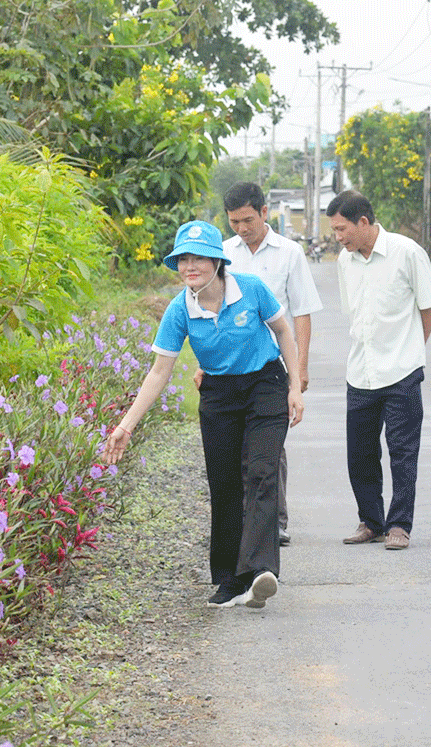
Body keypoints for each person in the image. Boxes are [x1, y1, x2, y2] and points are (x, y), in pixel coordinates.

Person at [104, 220, 304, 608]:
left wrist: (294, 387)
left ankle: (260, 571)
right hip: (217, 393)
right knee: (224, 483)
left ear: (218, 260)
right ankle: (229, 580)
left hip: (265, 384)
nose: (189, 266)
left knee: (262, 472)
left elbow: (284, 331)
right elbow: (159, 371)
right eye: (183, 259)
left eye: (198, 258)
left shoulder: (252, 289)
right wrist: (126, 425)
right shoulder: (180, 309)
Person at [204, 181, 322, 547]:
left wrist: (299, 368)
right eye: (234, 221)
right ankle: (244, 518)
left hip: (273, 365)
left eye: (248, 220)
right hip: (229, 366)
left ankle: (275, 520)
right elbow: (208, 310)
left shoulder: (289, 253)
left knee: (269, 446)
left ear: (264, 212)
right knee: (234, 444)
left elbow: (301, 312)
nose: (242, 228)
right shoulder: (222, 254)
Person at [325, 190, 431, 551]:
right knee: (359, 452)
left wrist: (413, 349)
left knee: (402, 452)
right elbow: (354, 314)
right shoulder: (345, 262)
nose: (338, 237)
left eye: (342, 229)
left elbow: (428, 306)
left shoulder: (407, 253)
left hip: (402, 370)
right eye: (334, 230)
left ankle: (399, 525)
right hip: (360, 371)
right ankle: (371, 521)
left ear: (363, 222)